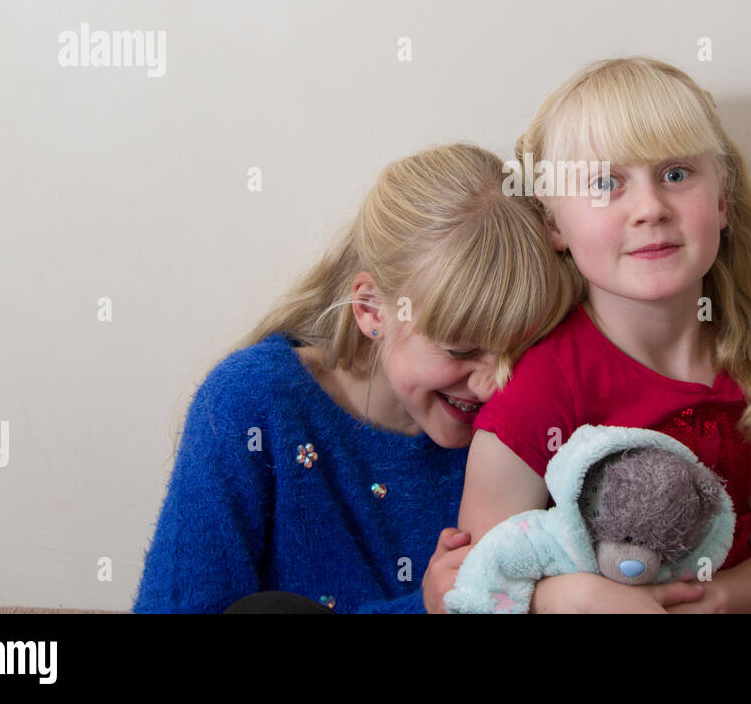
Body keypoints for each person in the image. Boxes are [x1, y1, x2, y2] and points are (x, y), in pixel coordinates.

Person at [441, 57, 751, 613]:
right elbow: (485, 582)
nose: (650, 208)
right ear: (555, 224)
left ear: (722, 200)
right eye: (606, 183)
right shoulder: (539, 385)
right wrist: (573, 599)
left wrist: (717, 600)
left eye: (675, 174)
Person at [132, 142, 584, 613]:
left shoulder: (535, 415)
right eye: (461, 349)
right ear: (371, 309)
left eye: (519, 351)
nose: (492, 385)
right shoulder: (251, 402)